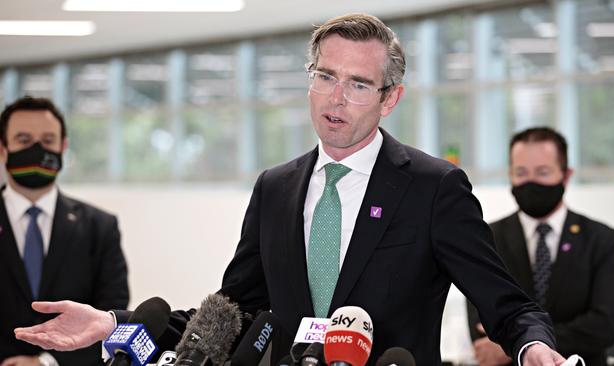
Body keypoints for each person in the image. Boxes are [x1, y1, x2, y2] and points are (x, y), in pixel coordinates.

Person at [14, 14, 565, 365]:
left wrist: (535, 348)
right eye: (325, 76)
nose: (335, 98)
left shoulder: (433, 187)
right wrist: (115, 324)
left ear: (389, 98)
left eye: (357, 84)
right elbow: (228, 313)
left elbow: (507, 304)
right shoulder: (276, 188)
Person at [466, 127, 614, 366]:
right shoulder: (487, 239)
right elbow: (480, 322)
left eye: (542, 172)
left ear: (566, 175)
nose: (531, 182)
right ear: (510, 175)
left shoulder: (601, 240)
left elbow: (604, 326)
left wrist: (524, 343)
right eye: (521, 172)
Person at [0, 96, 129, 366]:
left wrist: (47, 362)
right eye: (24, 140)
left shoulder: (100, 227)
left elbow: (111, 318)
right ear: (3, 149)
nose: (36, 149)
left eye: (47, 141)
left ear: (63, 147)